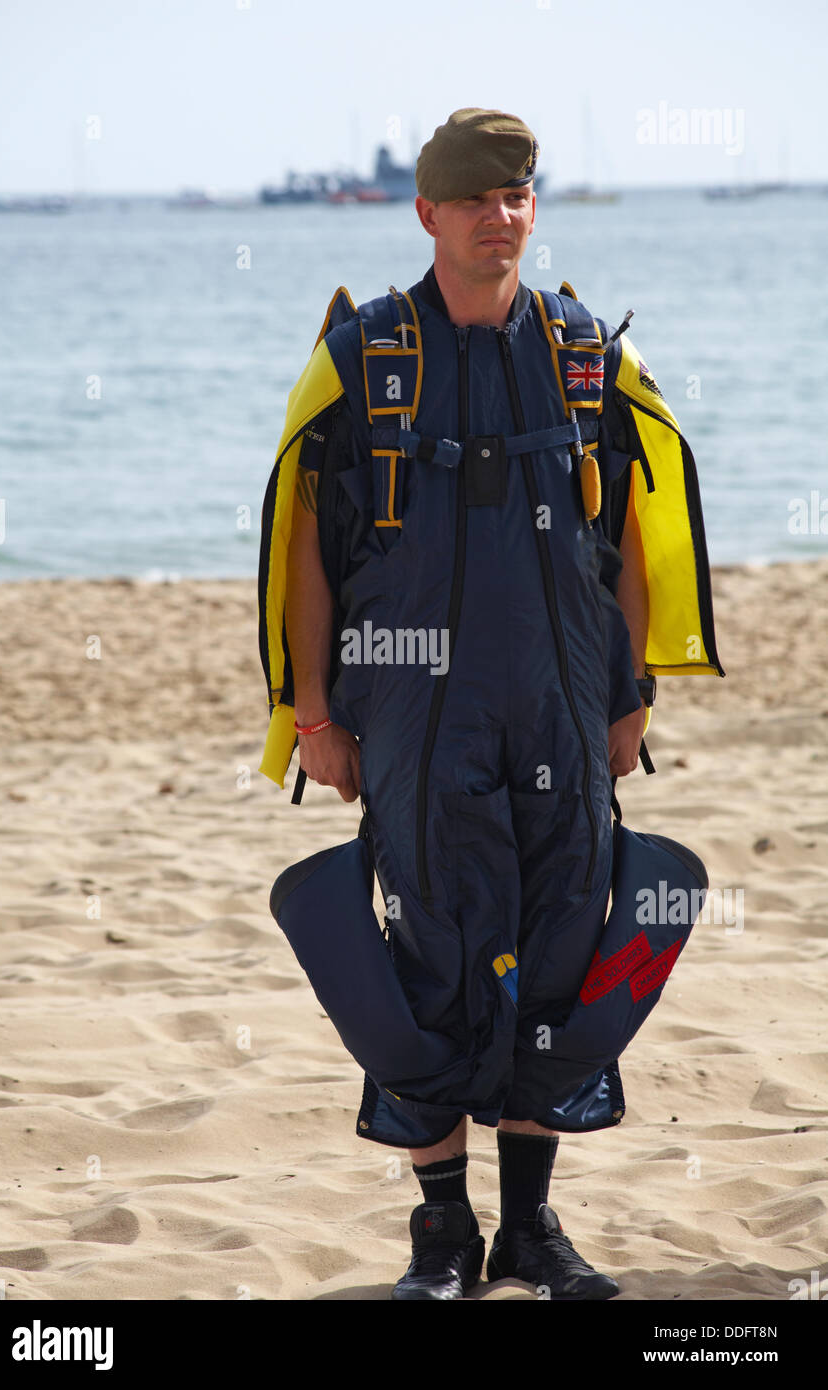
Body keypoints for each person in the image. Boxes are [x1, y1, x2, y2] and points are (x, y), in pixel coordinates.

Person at [265, 109, 681, 1301]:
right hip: (409, 708)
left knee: (560, 949)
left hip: (559, 702)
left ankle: (532, 1231)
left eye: (520, 196)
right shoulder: (366, 359)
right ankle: (442, 1237)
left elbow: (630, 538)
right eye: (478, 199)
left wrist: (631, 693)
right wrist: (313, 716)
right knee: (432, 958)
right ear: (428, 213)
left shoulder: (585, 351)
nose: (503, 216)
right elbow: (304, 551)